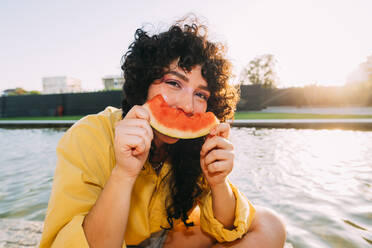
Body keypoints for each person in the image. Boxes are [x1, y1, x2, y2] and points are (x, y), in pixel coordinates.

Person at [40, 16, 286, 248]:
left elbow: (225, 226)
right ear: (144, 81)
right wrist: (124, 173)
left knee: (270, 224)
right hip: (111, 238)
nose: (188, 106)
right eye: (173, 83)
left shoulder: (194, 144)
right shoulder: (90, 134)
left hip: (167, 238)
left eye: (200, 94)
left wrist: (218, 182)